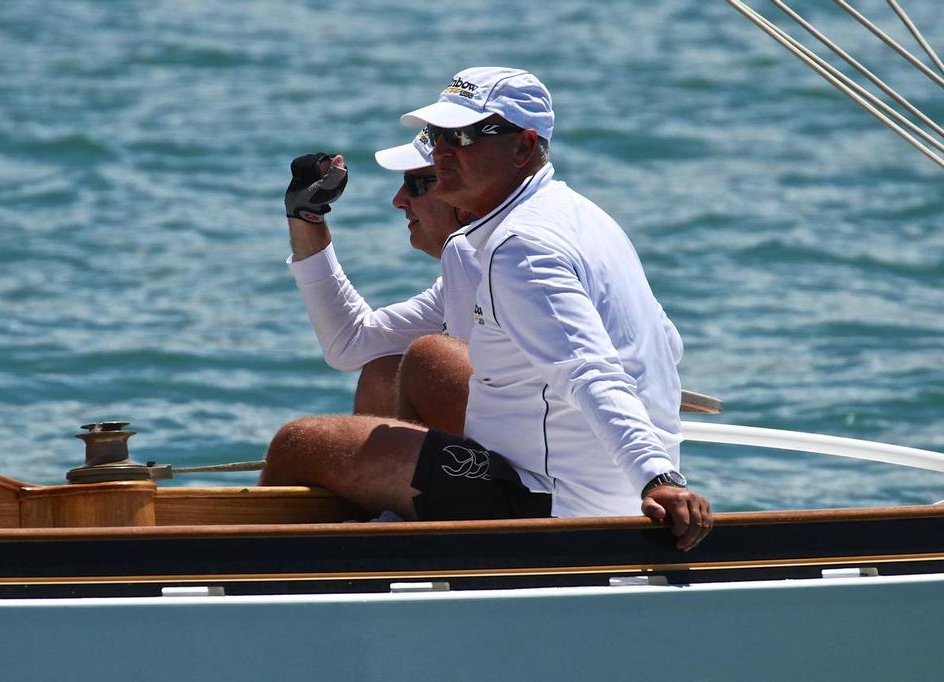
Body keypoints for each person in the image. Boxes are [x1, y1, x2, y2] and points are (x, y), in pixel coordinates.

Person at [263, 67, 712, 551]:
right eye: (437, 138)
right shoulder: (581, 217)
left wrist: (659, 478)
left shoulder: (520, 247)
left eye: (461, 137)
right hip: (591, 483)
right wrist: (307, 218)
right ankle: (398, 529)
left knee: (298, 442)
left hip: (551, 504)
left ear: (523, 147)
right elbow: (664, 345)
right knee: (397, 368)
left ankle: (260, 588)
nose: (441, 152)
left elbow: (592, 372)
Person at [284, 129, 477, 434]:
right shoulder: (462, 271)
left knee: (295, 442)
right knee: (384, 375)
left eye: (414, 185)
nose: (398, 200)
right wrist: (306, 215)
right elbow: (350, 344)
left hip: (538, 467)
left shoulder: (493, 257)